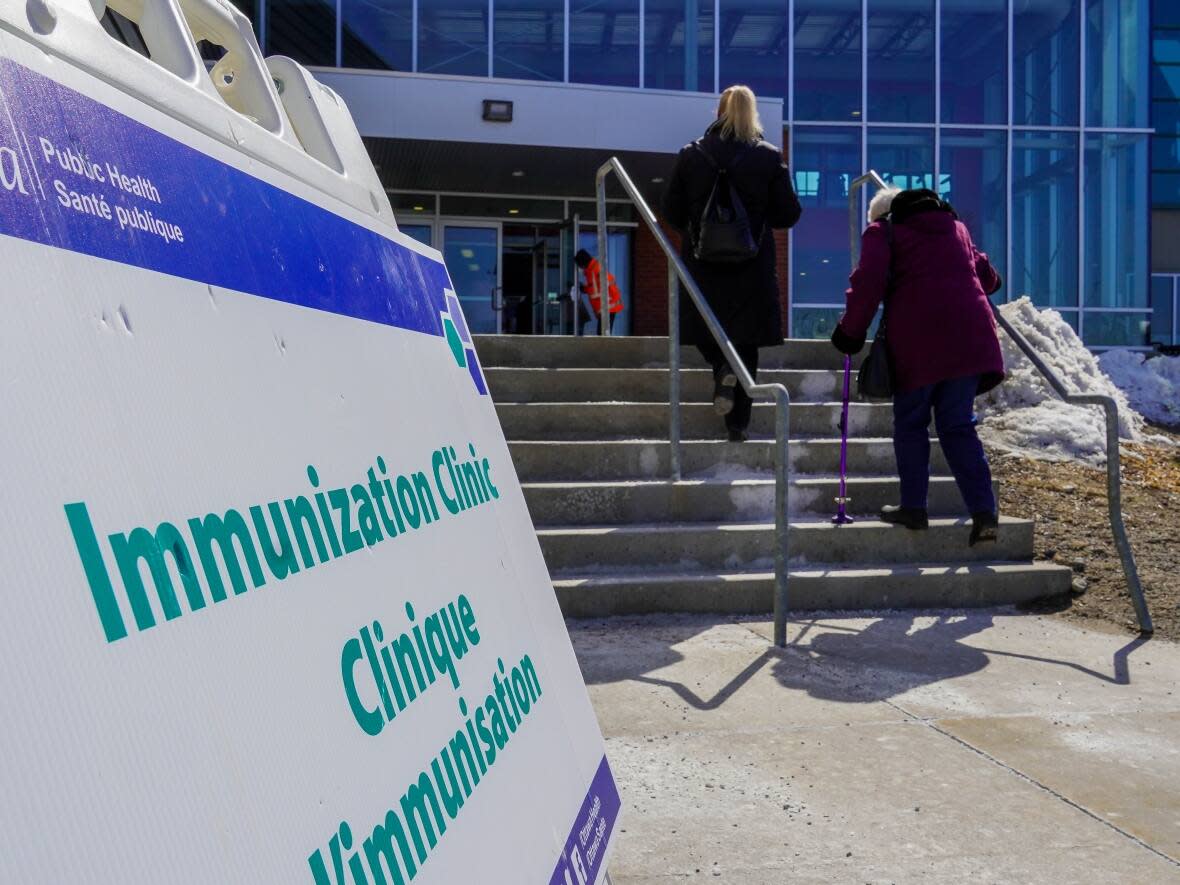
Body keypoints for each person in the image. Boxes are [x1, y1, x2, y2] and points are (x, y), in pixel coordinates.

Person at [831, 186, 1005, 546]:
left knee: (911, 423)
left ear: (881, 215)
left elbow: (867, 284)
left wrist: (849, 333)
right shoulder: (956, 229)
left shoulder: (884, 232)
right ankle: (984, 513)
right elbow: (988, 279)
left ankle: (914, 507)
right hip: (970, 341)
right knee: (959, 426)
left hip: (919, 343)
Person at [661, 85, 802, 442]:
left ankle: (722, 368)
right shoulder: (769, 157)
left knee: (705, 329)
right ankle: (737, 425)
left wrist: (697, 228)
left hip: (703, 262)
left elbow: (671, 211)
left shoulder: (691, 154)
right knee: (747, 340)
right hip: (751, 266)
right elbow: (788, 213)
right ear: (753, 113)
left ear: (718, 111)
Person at [574, 248, 623, 334]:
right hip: (608, 307)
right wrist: (584, 289)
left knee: (602, 334)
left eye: (579, 265)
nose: (579, 268)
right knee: (602, 334)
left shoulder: (595, 270)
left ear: (582, 263)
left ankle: (605, 347)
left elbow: (600, 289)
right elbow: (595, 288)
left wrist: (584, 289)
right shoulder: (592, 270)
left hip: (608, 307)